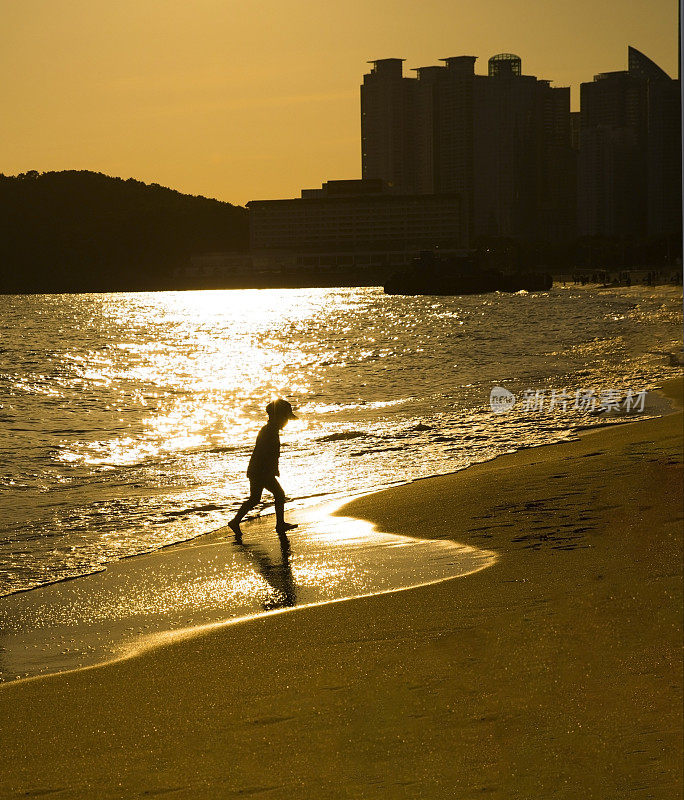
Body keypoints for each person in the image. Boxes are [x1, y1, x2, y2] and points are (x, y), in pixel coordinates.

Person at [229, 398, 298, 539]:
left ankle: (235, 521)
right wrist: (271, 471)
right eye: (286, 418)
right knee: (279, 494)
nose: (287, 422)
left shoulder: (269, 429)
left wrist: (273, 468)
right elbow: (267, 454)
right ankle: (280, 524)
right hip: (261, 471)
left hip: (256, 470)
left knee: (254, 499)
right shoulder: (270, 431)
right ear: (279, 417)